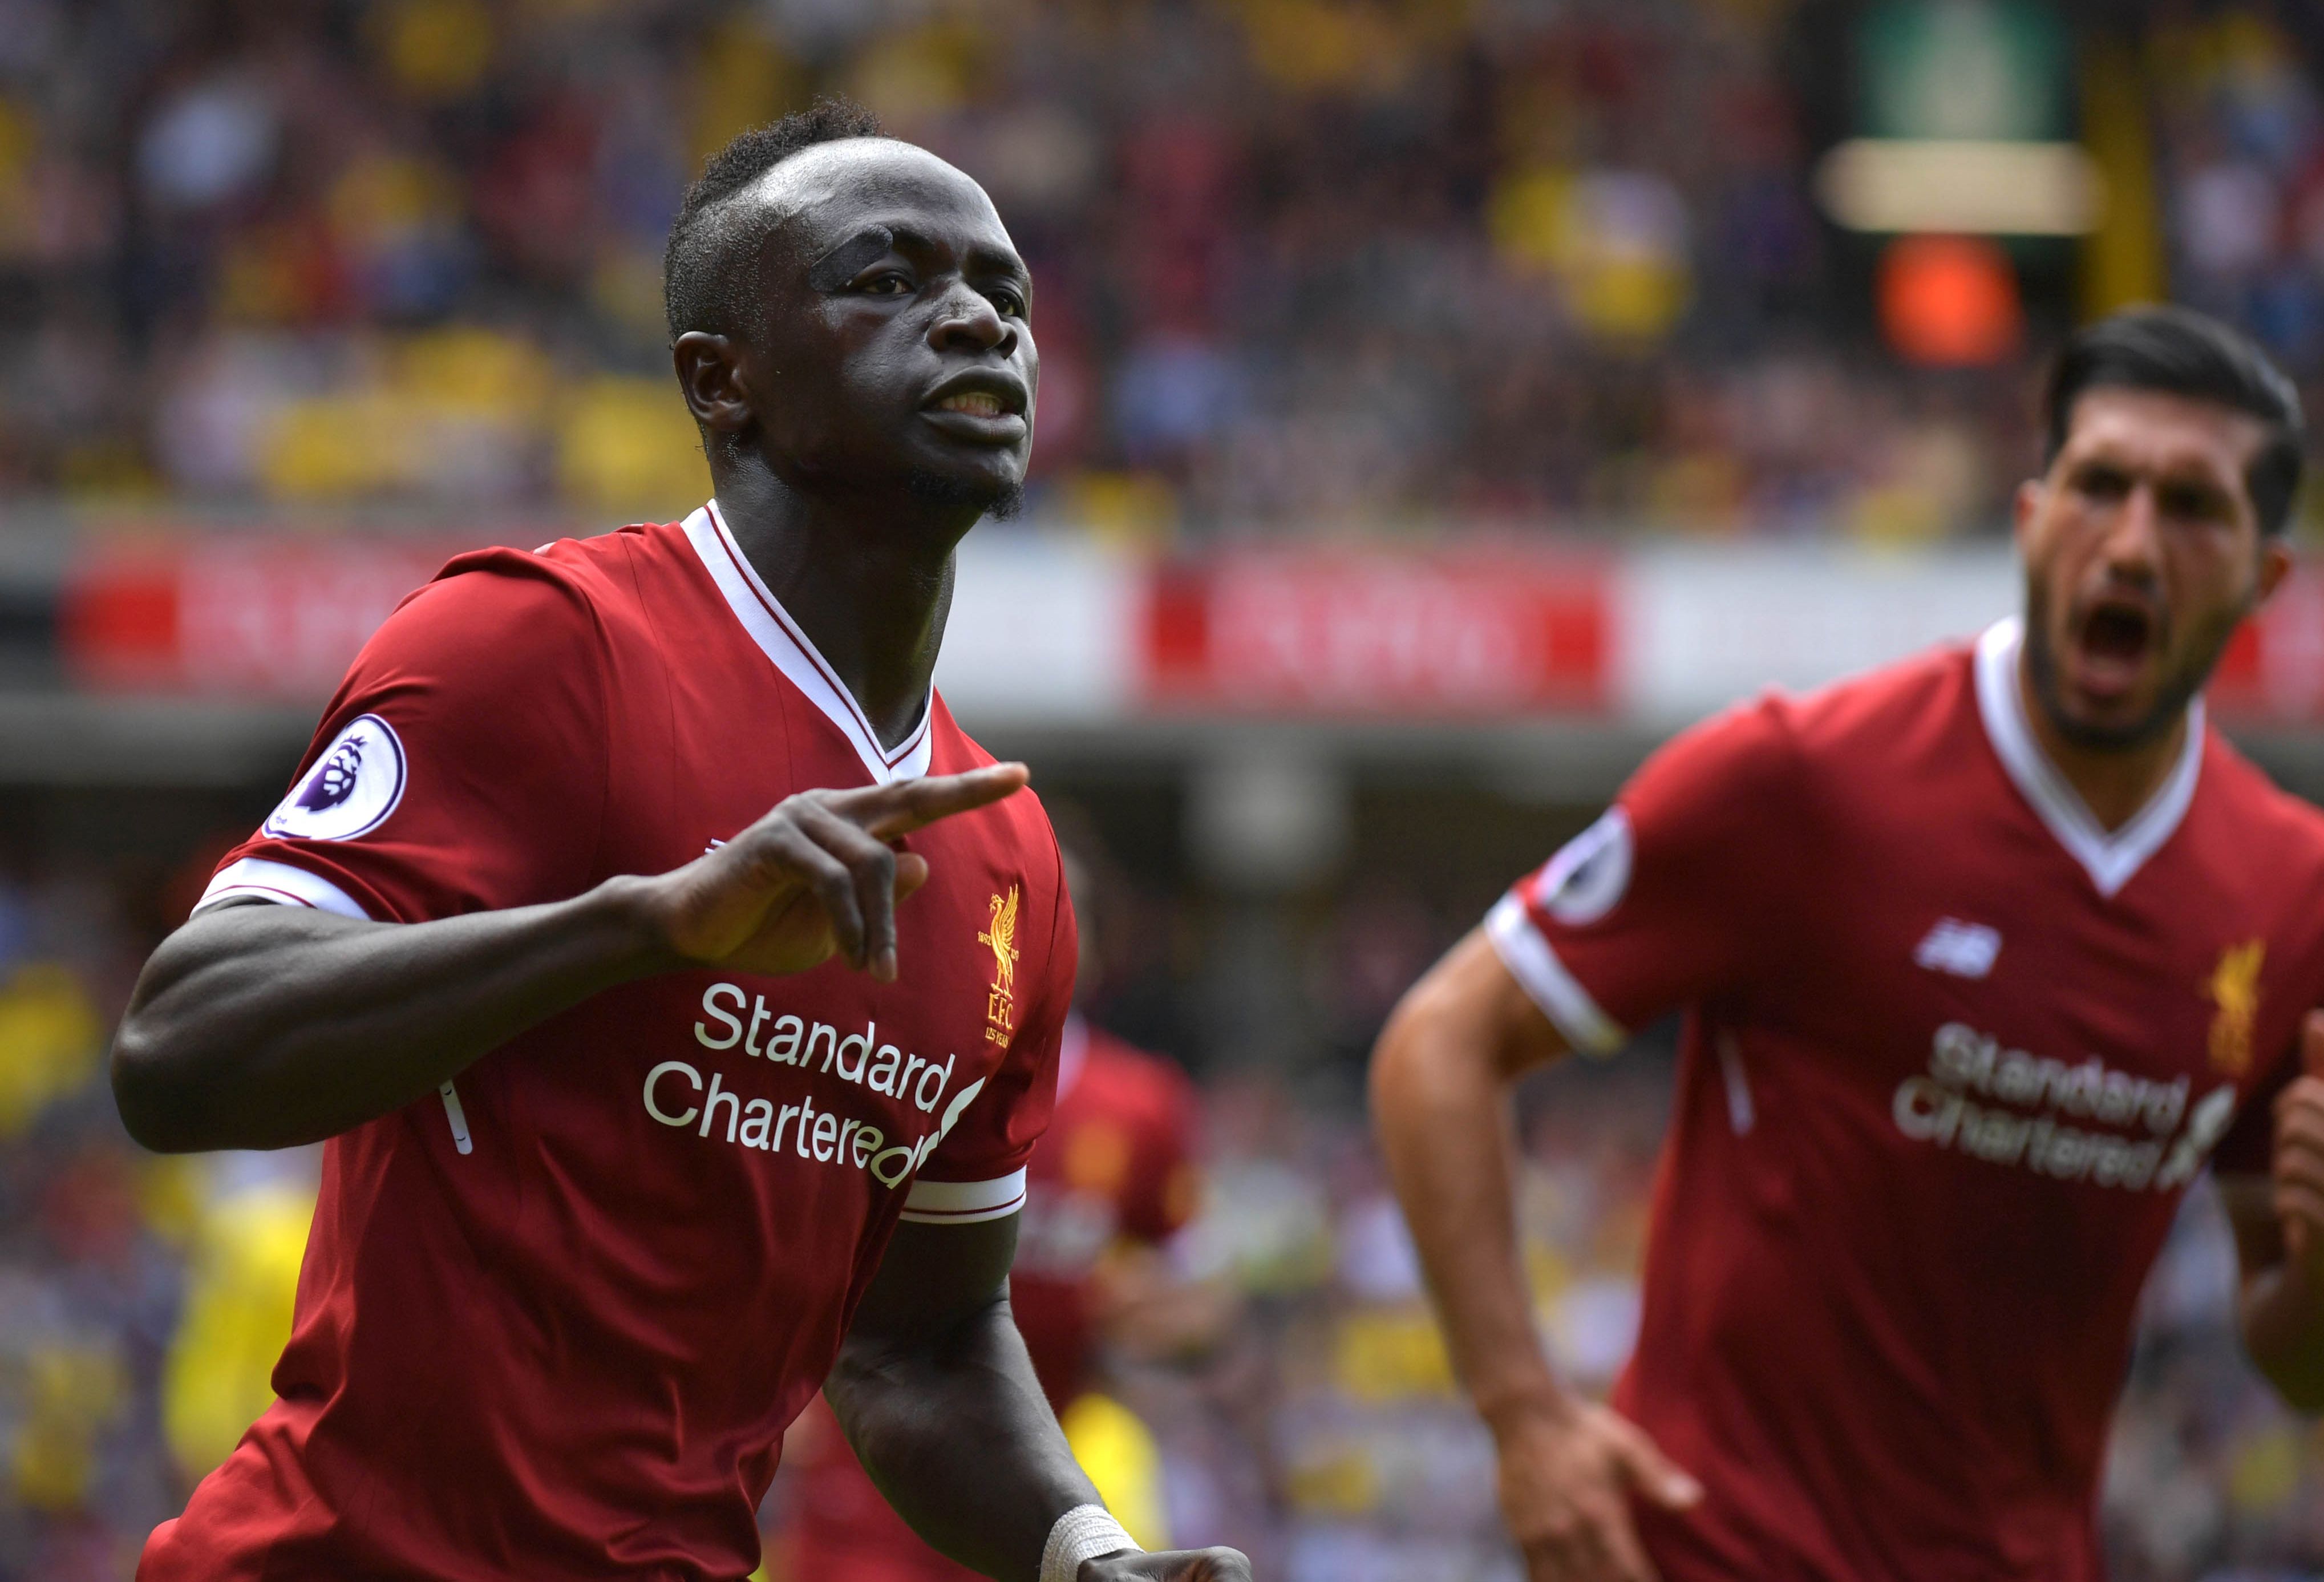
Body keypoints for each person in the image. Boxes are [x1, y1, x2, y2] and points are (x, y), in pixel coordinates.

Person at [111, 99, 1249, 1582]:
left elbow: (917, 1340)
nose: (974, 318)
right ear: (726, 384)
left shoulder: (1007, 857)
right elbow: (177, 1046)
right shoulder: (541, 644)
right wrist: (641, 927)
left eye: (1004, 294)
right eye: (888, 280)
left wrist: (1080, 1549)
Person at [1370, 305, 2324, 1582]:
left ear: (2265, 577)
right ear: (2034, 518)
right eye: (2101, 486)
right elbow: (1442, 1040)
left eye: (2194, 506)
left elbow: (2293, 1356)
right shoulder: (1805, 782)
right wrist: (1524, 1417)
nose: (2135, 544)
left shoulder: (2288, 891)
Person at [782, 845, 1210, 1579]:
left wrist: (1145, 1315)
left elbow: (1198, 1309)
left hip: (1034, 1498)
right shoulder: (875, 1071)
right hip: (864, 1497)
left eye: (1049, 922)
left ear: (1093, 950)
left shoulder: (1142, 1105)